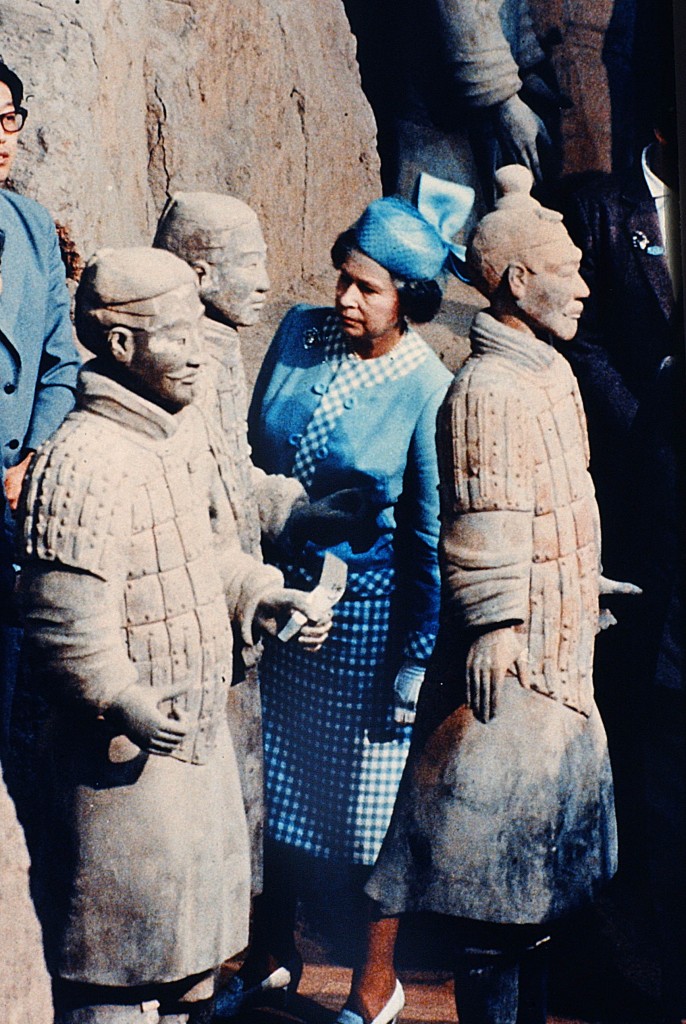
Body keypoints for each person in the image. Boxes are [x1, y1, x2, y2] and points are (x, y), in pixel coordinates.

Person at [16, 247, 331, 1024]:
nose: (196, 350)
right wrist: (121, 697)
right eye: (175, 333)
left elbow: (204, 558)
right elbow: (62, 620)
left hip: (194, 751)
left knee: (194, 971)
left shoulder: (178, 436)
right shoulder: (81, 460)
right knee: (118, 979)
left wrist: (264, 595)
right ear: (120, 345)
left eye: (198, 329)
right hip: (121, 766)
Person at [365, 165, 640, 1024]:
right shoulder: (487, 388)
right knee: (493, 883)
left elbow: (551, 504)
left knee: (540, 895)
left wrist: (580, 572)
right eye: (569, 268)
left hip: (560, 659)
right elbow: (483, 518)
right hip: (512, 669)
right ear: (519, 280)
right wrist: (495, 624)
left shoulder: (549, 376)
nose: (587, 286)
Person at [213, 176, 472, 1022]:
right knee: (269, 792)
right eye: (343, 277)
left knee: (364, 823)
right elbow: (251, 449)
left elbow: (427, 541)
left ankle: (375, 982)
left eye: (368, 287)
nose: (345, 297)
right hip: (278, 612)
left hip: (362, 631)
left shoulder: (425, 385)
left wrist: (410, 670)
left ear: (412, 298)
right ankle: (272, 953)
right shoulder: (298, 333)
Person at [153, 191, 307, 893]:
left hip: (232, 614)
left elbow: (229, 475)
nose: (266, 281)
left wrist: (295, 508)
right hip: (193, 625)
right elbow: (189, 508)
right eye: (250, 263)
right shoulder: (182, 366)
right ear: (201, 273)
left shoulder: (221, 348)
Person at [0, 58, 80, 752]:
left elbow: (61, 365)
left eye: (7, 120)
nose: (1, 138)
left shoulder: (29, 226)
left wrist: (30, 455)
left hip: (8, 509)